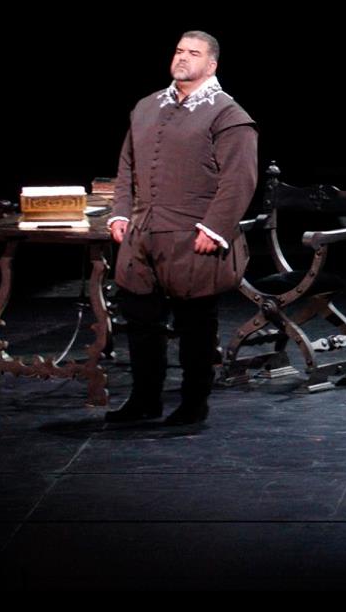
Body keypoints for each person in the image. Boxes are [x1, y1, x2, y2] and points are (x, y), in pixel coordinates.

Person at [105, 31, 258, 425]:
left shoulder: (227, 113)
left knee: (195, 324)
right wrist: (120, 213)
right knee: (140, 319)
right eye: (178, 50)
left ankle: (193, 402)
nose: (183, 57)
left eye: (194, 52)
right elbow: (127, 166)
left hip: (192, 235)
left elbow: (239, 179)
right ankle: (144, 399)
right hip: (142, 233)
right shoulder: (146, 106)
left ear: (212, 64)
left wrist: (215, 228)